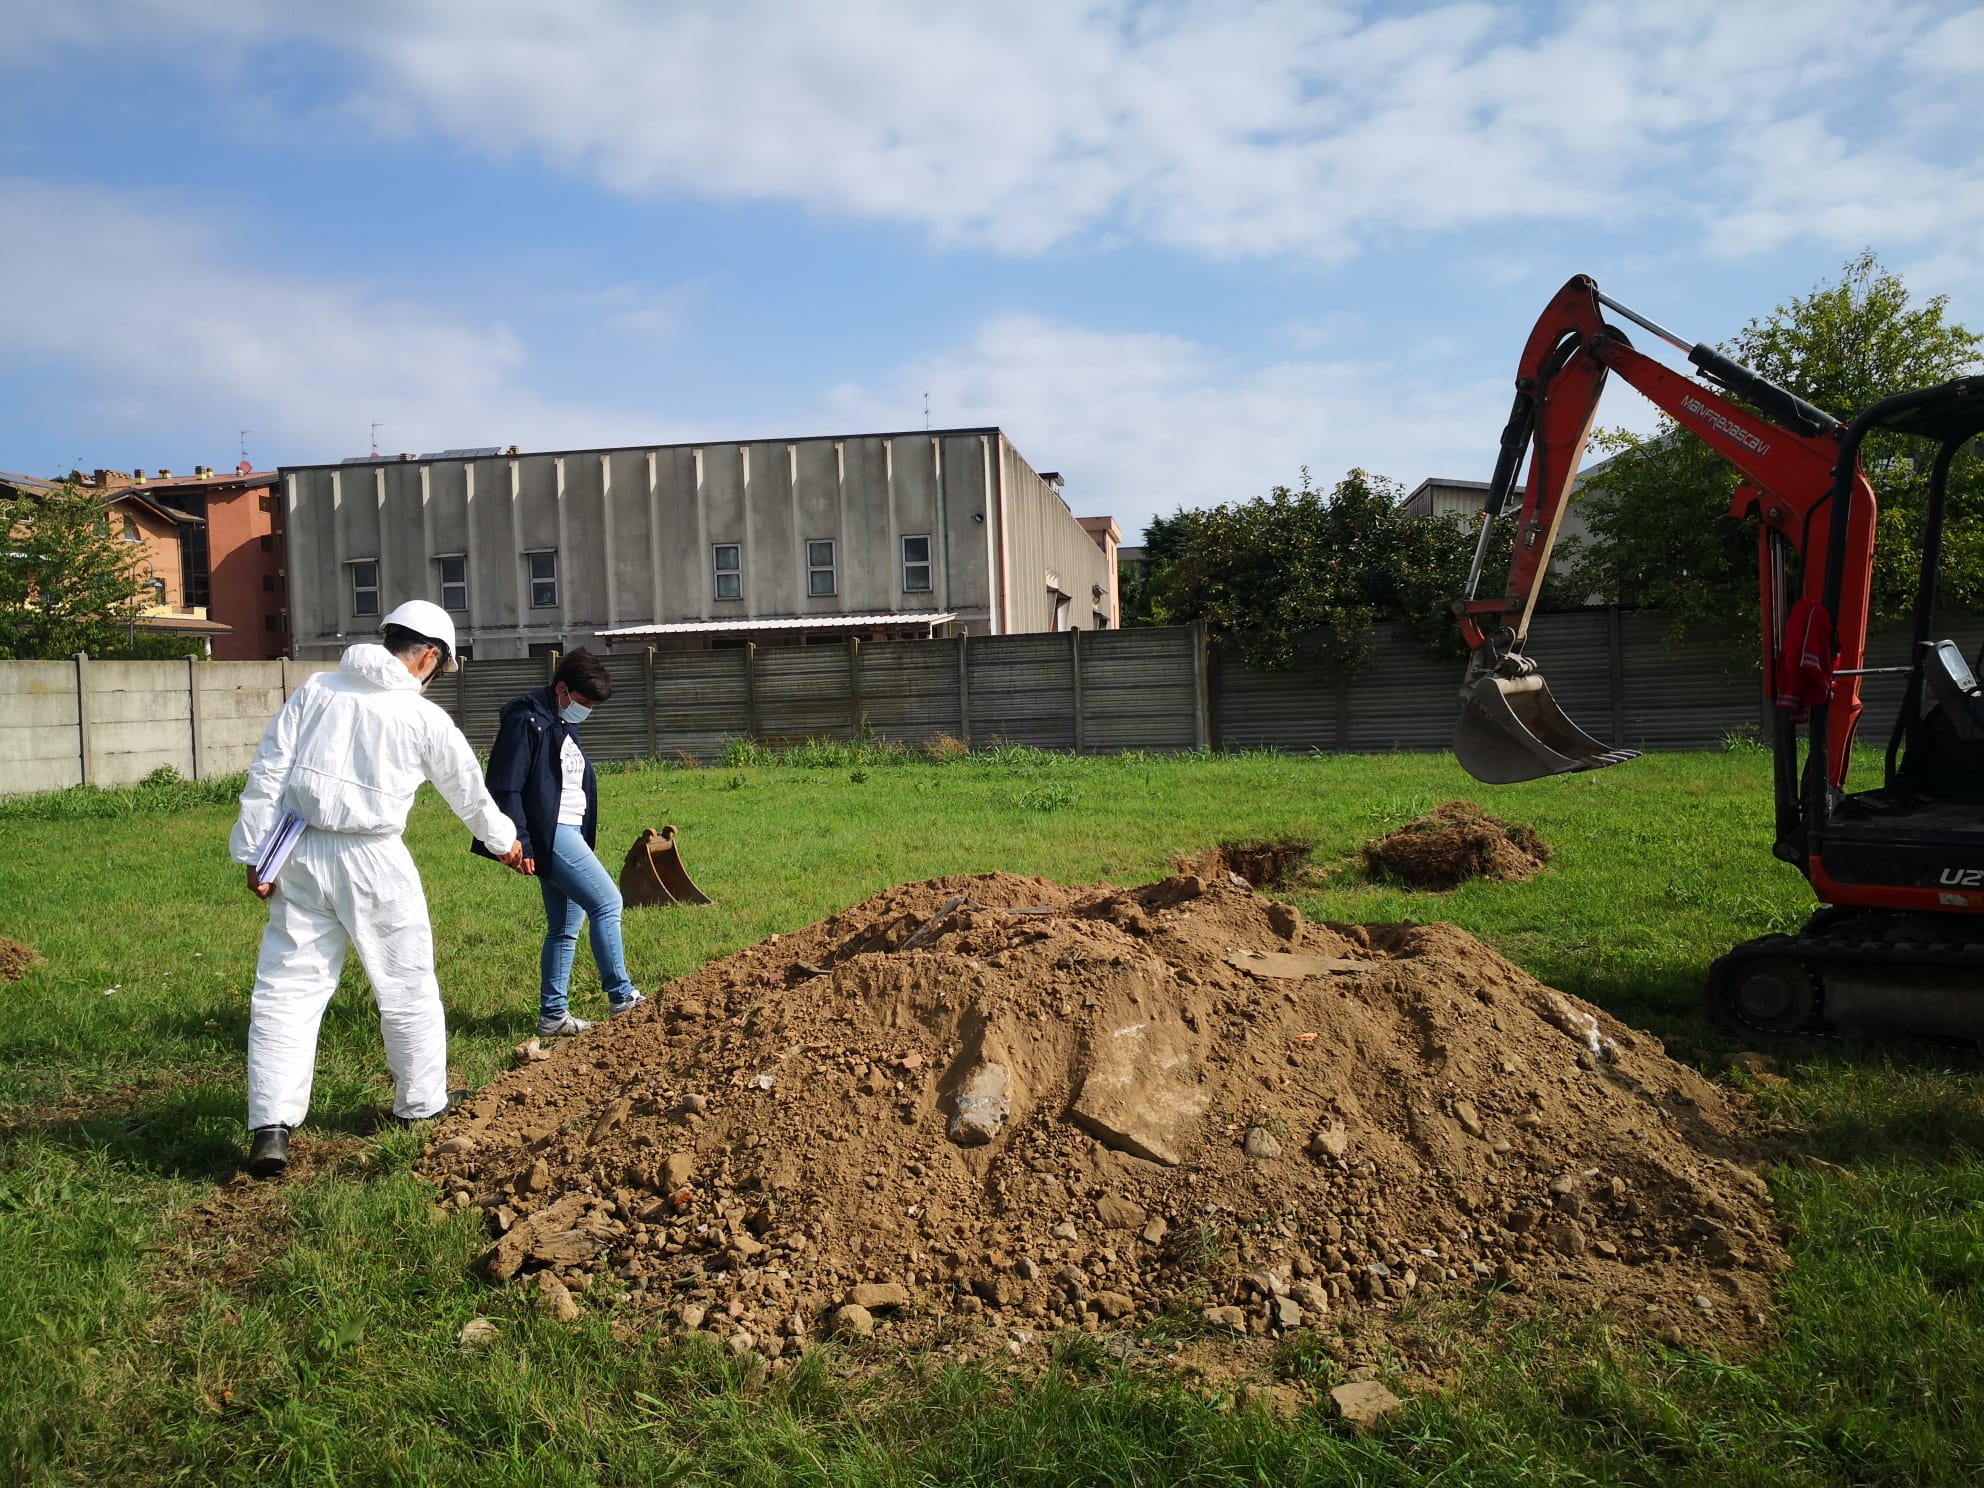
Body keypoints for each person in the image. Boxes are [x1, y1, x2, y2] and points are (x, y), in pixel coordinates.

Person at [229, 599, 527, 1179]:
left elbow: (269, 769)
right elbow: (468, 790)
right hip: (374, 858)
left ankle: (270, 1125)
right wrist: (505, 843)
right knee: (405, 981)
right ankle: (421, 1105)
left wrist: (255, 853)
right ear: (430, 658)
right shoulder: (421, 718)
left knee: (287, 990)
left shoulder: (317, 690)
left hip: (297, 851)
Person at [480, 647, 647, 1036]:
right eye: (584, 702)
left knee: (565, 926)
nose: (586, 710)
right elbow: (507, 786)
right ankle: (622, 998)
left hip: (570, 830)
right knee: (607, 902)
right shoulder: (526, 721)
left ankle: (553, 1017)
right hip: (551, 833)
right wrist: (518, 840)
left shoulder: (561, 720)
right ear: (562, 689)